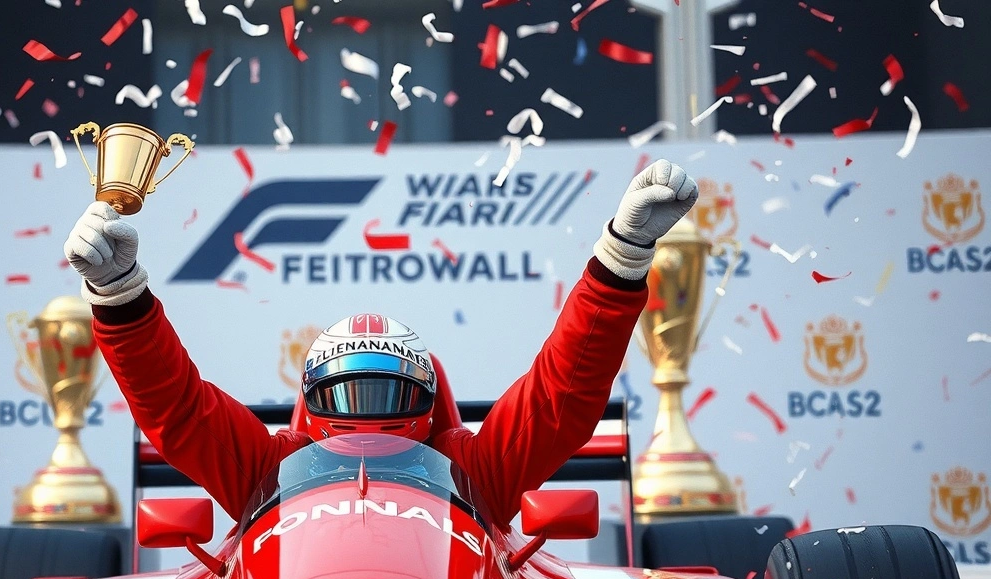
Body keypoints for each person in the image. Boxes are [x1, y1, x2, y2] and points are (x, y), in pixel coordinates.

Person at [65, 159, 697, 527]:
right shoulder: (266, 472)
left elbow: (561, 394)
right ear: (313, 401)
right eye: (352, 392)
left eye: (382, 391)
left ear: (423, 394)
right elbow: (175, 409)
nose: (368, 410)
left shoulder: (474, 475)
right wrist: (119, 293)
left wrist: (623, 254)